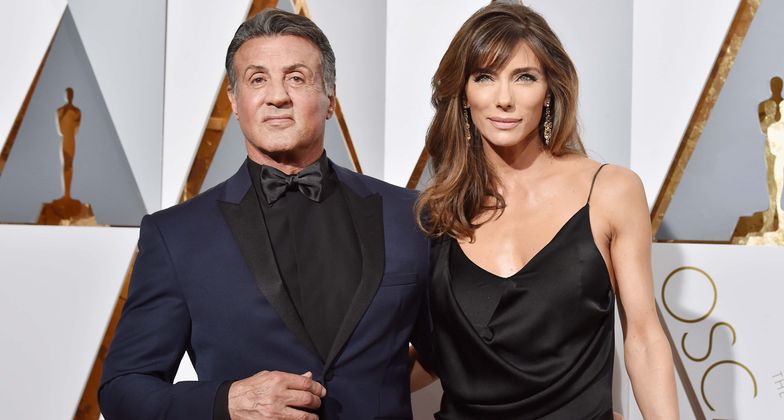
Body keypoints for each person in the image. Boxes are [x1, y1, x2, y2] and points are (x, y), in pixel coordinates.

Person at [99, 9, 431, 420]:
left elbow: (453, 354)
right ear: (234, 102)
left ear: (330, 99)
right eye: (258, 79)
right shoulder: (176, 235)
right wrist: (225, 401)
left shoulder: (407, 217)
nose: (277, 96)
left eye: (297, 78)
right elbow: (123, 389)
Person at [412, 3, 679, 419]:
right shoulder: (437, 213)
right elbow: (434, 356)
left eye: (524, 77)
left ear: (550, 90)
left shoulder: (611, 191)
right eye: (484, 77)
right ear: (463, 95)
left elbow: (644, 338)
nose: (504, 99)